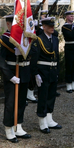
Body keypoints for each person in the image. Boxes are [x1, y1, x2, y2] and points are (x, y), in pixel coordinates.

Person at [0, 14, 32, 142]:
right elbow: (1, 61)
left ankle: (18, 126)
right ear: (9, 24)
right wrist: (10, 76)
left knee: (22, 101)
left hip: (23, 71)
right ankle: (9, 128)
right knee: (10, 103)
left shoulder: (24, 38)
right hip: (13, 73)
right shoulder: (5, 39)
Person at [31, 16, 62, 134]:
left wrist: (57, 71)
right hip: (43, 71)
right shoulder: (38, 39)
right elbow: (34, 58)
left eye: (53, 26)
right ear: (43, 27)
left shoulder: (55, 39)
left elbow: (57, 56)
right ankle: (42, 120)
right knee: (43, 96)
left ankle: (49, 118)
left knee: (51, 95)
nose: (52, 28)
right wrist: (35, 73)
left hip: (53, 70)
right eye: (49, 26)